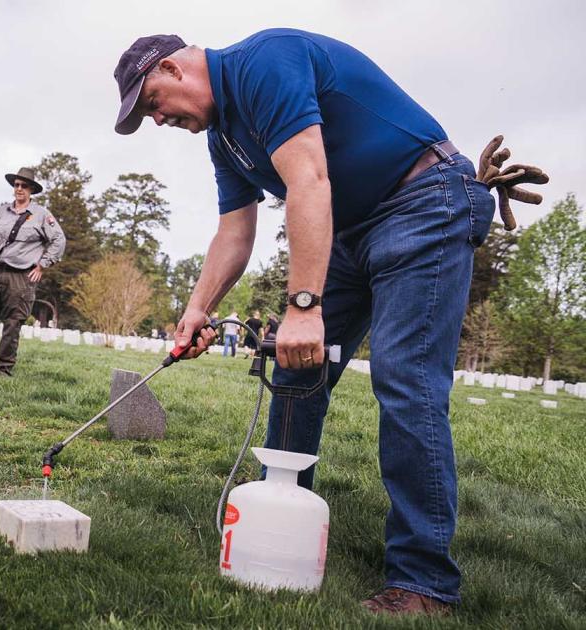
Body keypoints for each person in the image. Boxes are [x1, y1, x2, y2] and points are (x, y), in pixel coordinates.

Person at [113, 30, 498, 614]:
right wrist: (197, 310)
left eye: (153, 104)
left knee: (405, 379)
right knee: (294, 372)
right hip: (350, 229)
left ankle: (424, 582)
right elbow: (234, 233)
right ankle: (285, 522)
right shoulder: (224, 141)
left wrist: (303, 308)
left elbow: (309, 181)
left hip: (424, 200)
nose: (158, 121)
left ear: (171, 68)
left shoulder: (265, 64)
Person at [0, 167, 66, 376]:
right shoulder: (2, 211)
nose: (19, 189)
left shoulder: (41, 215)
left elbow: (59, 240)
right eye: (16, 185)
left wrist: (43, 264)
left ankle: (3, 368)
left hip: (21, 275)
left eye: (24, 186)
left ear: (31, 190)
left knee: (13, 322)